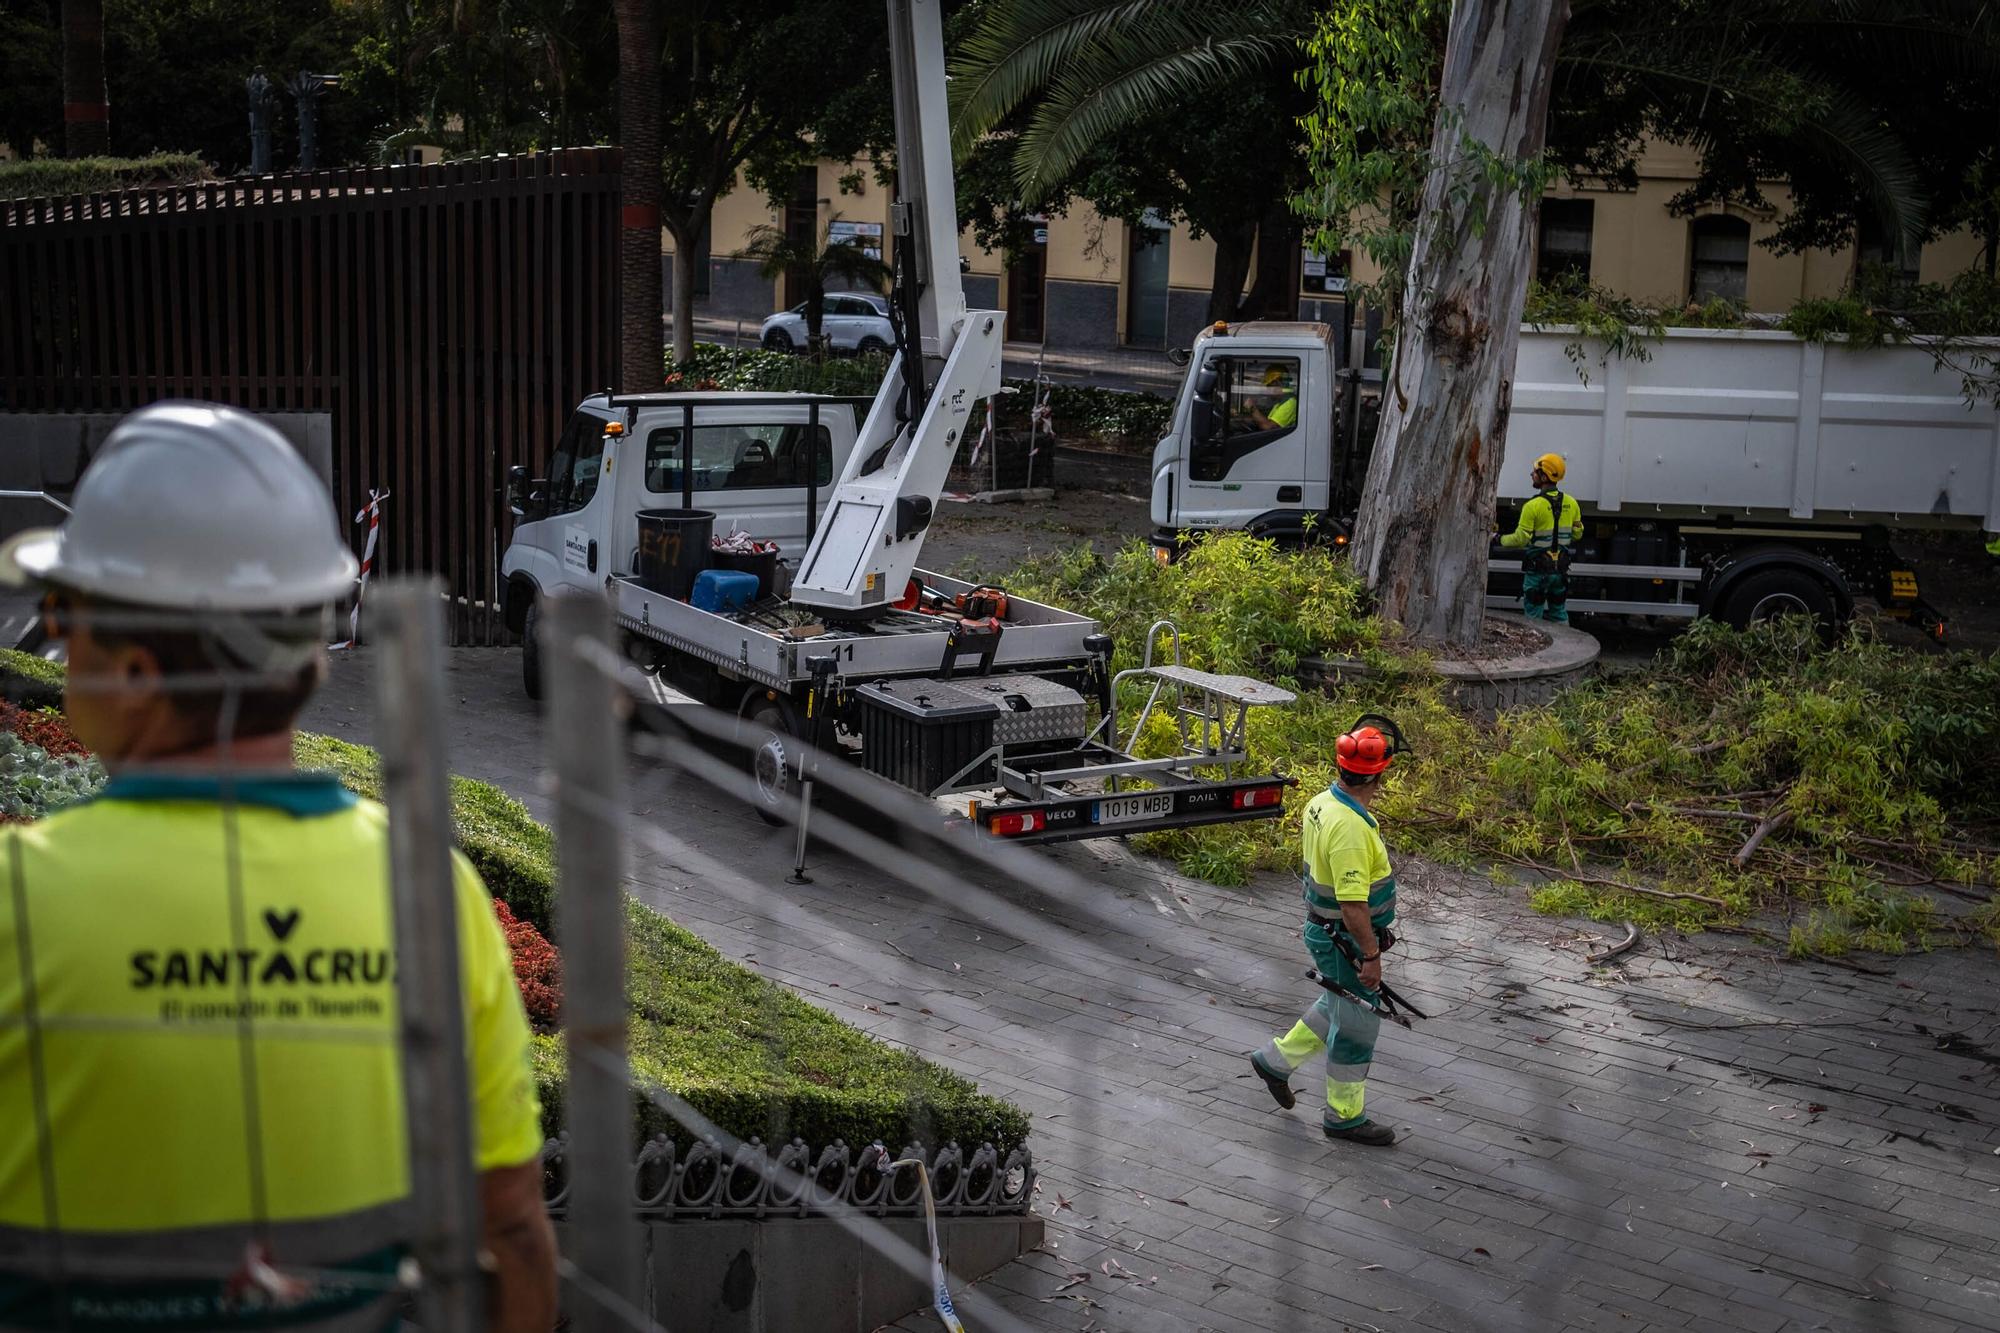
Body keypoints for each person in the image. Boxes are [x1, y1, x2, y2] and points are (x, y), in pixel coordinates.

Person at [0, 403, 557, 1329]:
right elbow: (516, 1233)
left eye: (67, 614)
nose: (56, 644)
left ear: (137, 671)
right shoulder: (431, 897)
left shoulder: (19, 902)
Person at [1249, 720, 1402, 1147]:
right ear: (1379, 773)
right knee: (1357, 1025)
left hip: (1325, 931)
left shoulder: (1322, 802)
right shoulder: (1351, 829)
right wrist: (1370, 955)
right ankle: (1344, 1117)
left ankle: (1275, 1061)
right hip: (1345, 935)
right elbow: (1354, 905)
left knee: (1339, 1000)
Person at [1498, 452, 1585, 623]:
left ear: (1544, 476)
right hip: (1560, 571)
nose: (1532, 474)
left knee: (1533, 620)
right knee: (1559, 613)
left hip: (1537, 572)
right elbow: (1577, 534)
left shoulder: (1533, 506)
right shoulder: (1572, 503)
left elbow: (1520, 539)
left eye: (1535, 471)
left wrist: (1497, 539)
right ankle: (1565, 648)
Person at [1247, 362, 1298, 432]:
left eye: (1269, 386)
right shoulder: (1280, 402)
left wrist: (1252, 408)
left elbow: (1268, 427)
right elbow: (1269, 420)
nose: (1267, 390)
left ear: (1277, 383)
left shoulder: (1290, 403)